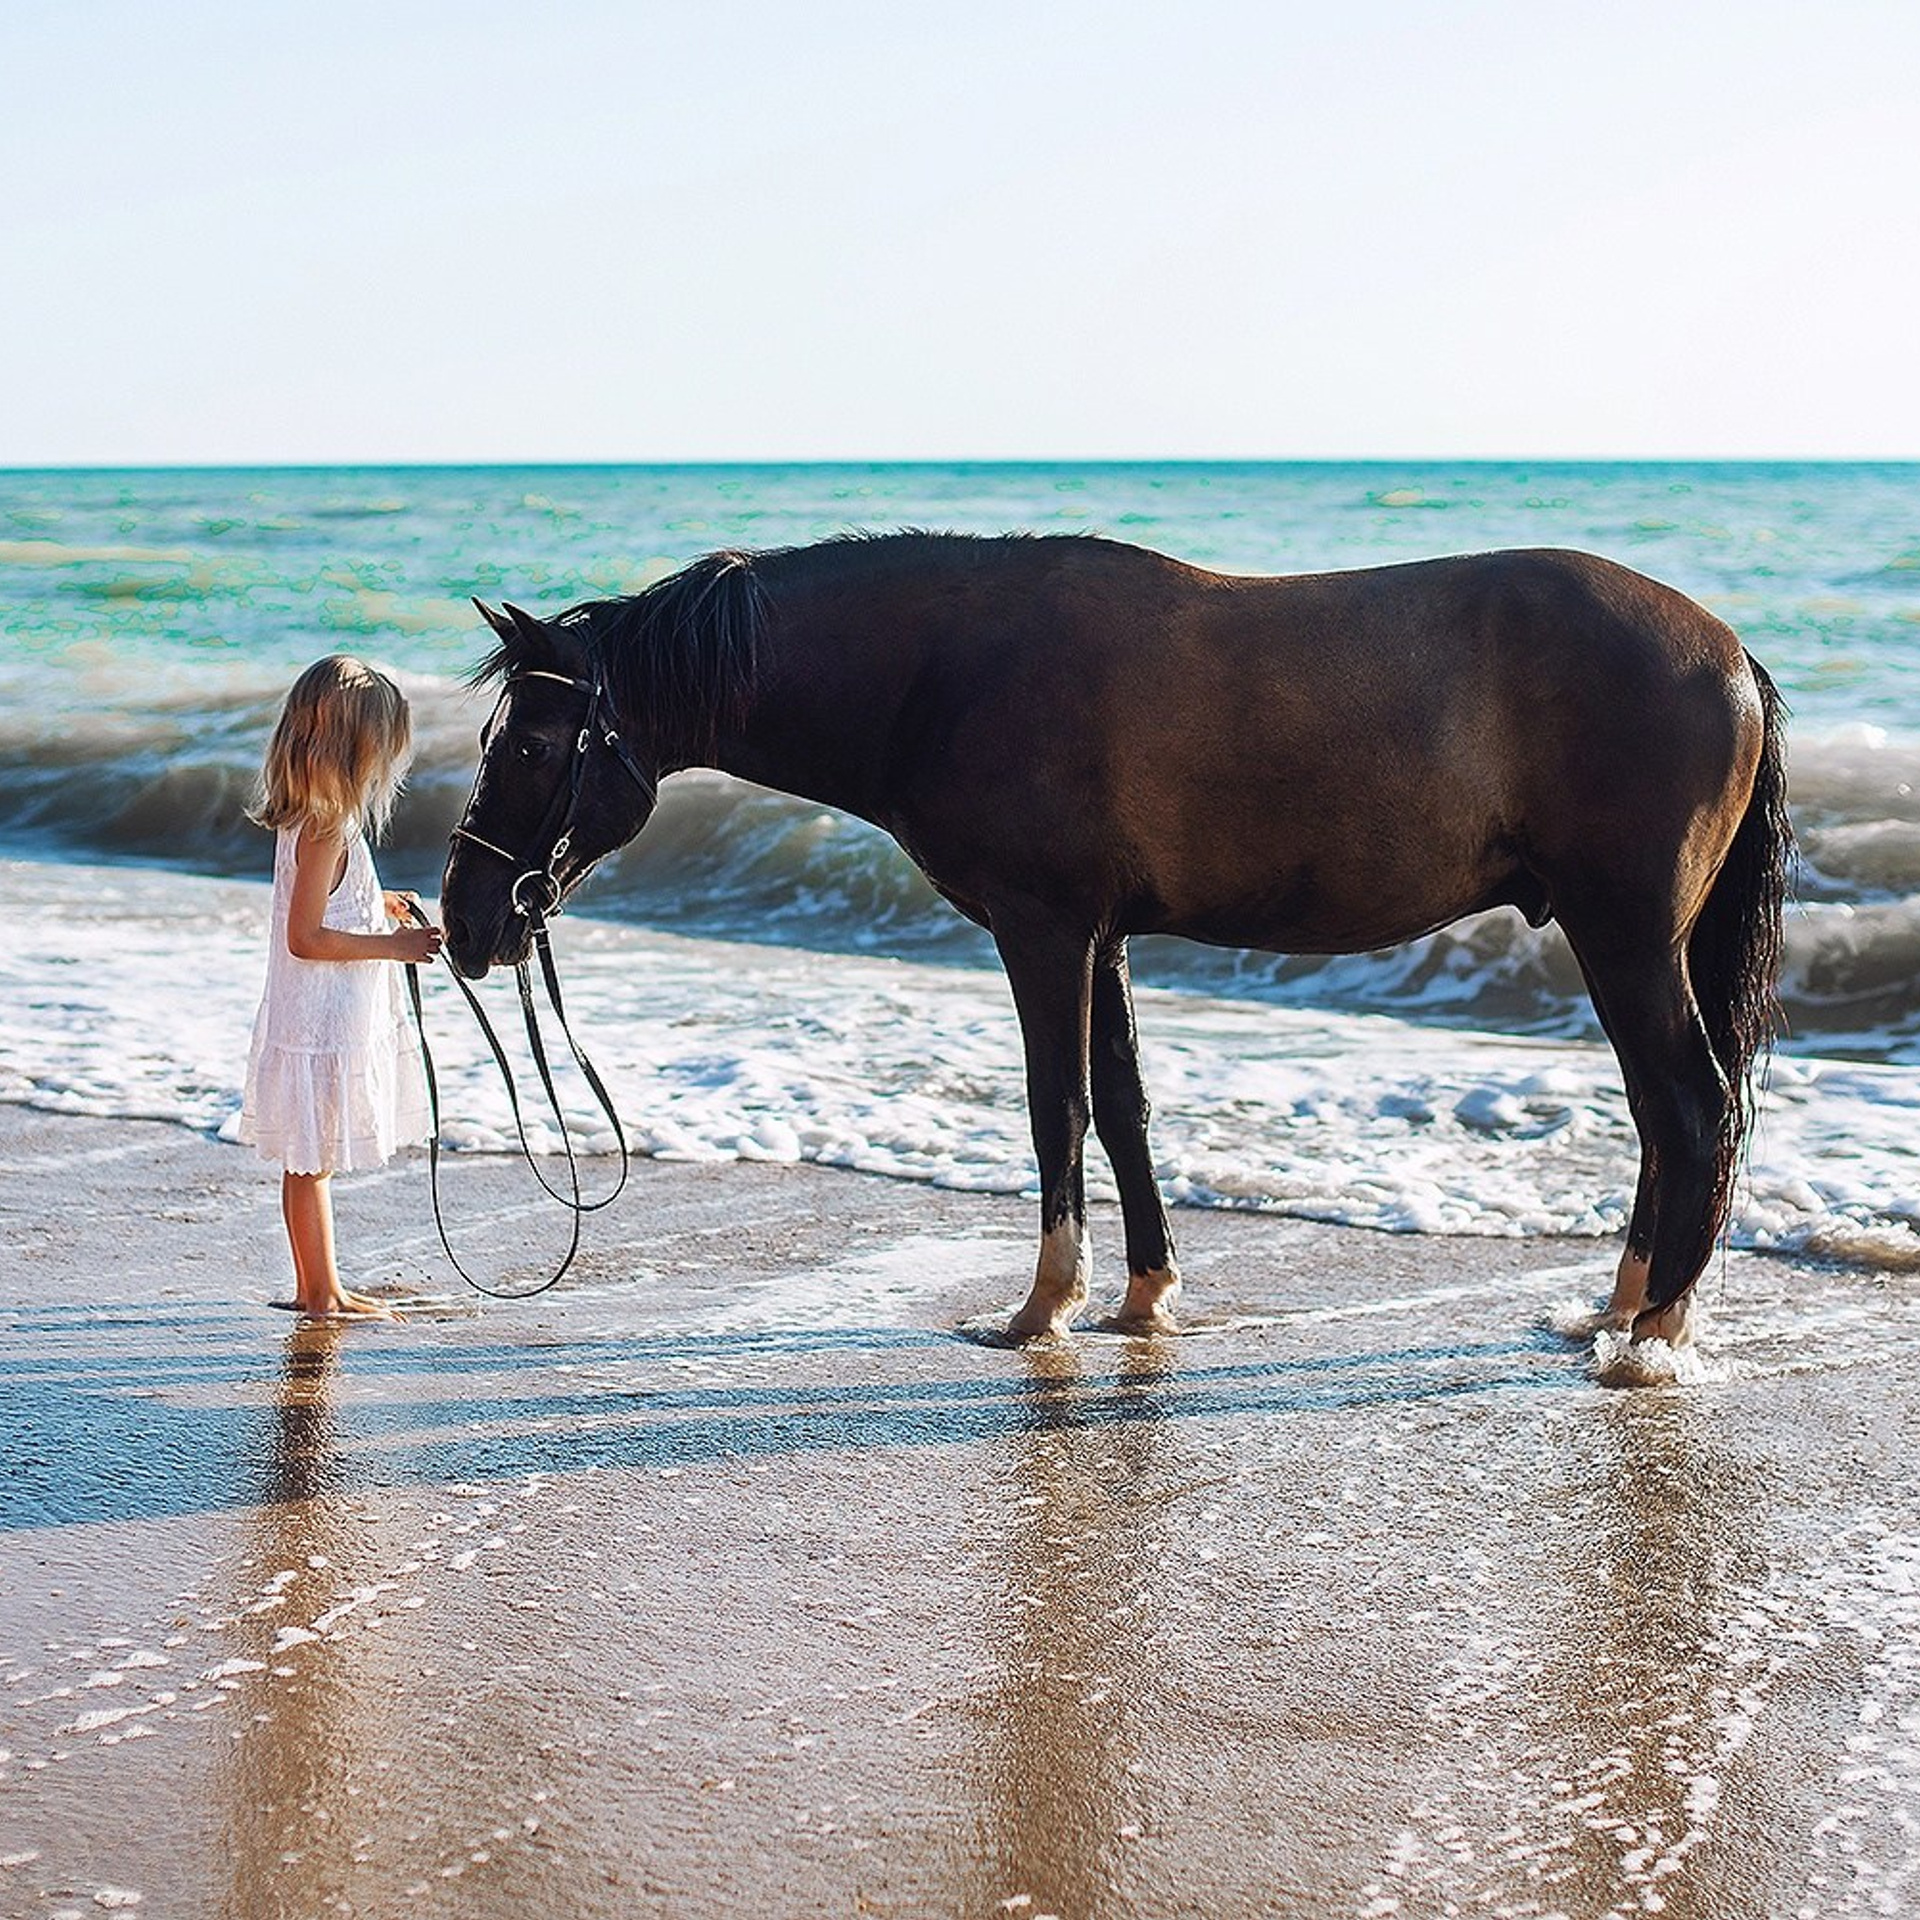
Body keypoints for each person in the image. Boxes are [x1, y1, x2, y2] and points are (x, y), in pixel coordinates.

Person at [236, 656, 442, 1318]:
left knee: (308, 1161)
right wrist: (396, 947)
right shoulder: (327, 826)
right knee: (309, 1163)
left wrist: (376, 903)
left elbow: (323, 906)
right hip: (320, 1020)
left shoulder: (311, 817)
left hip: (314, 1015)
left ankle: (315, 1286)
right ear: (359, 749)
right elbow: (306, 938)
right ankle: (321, 1293)